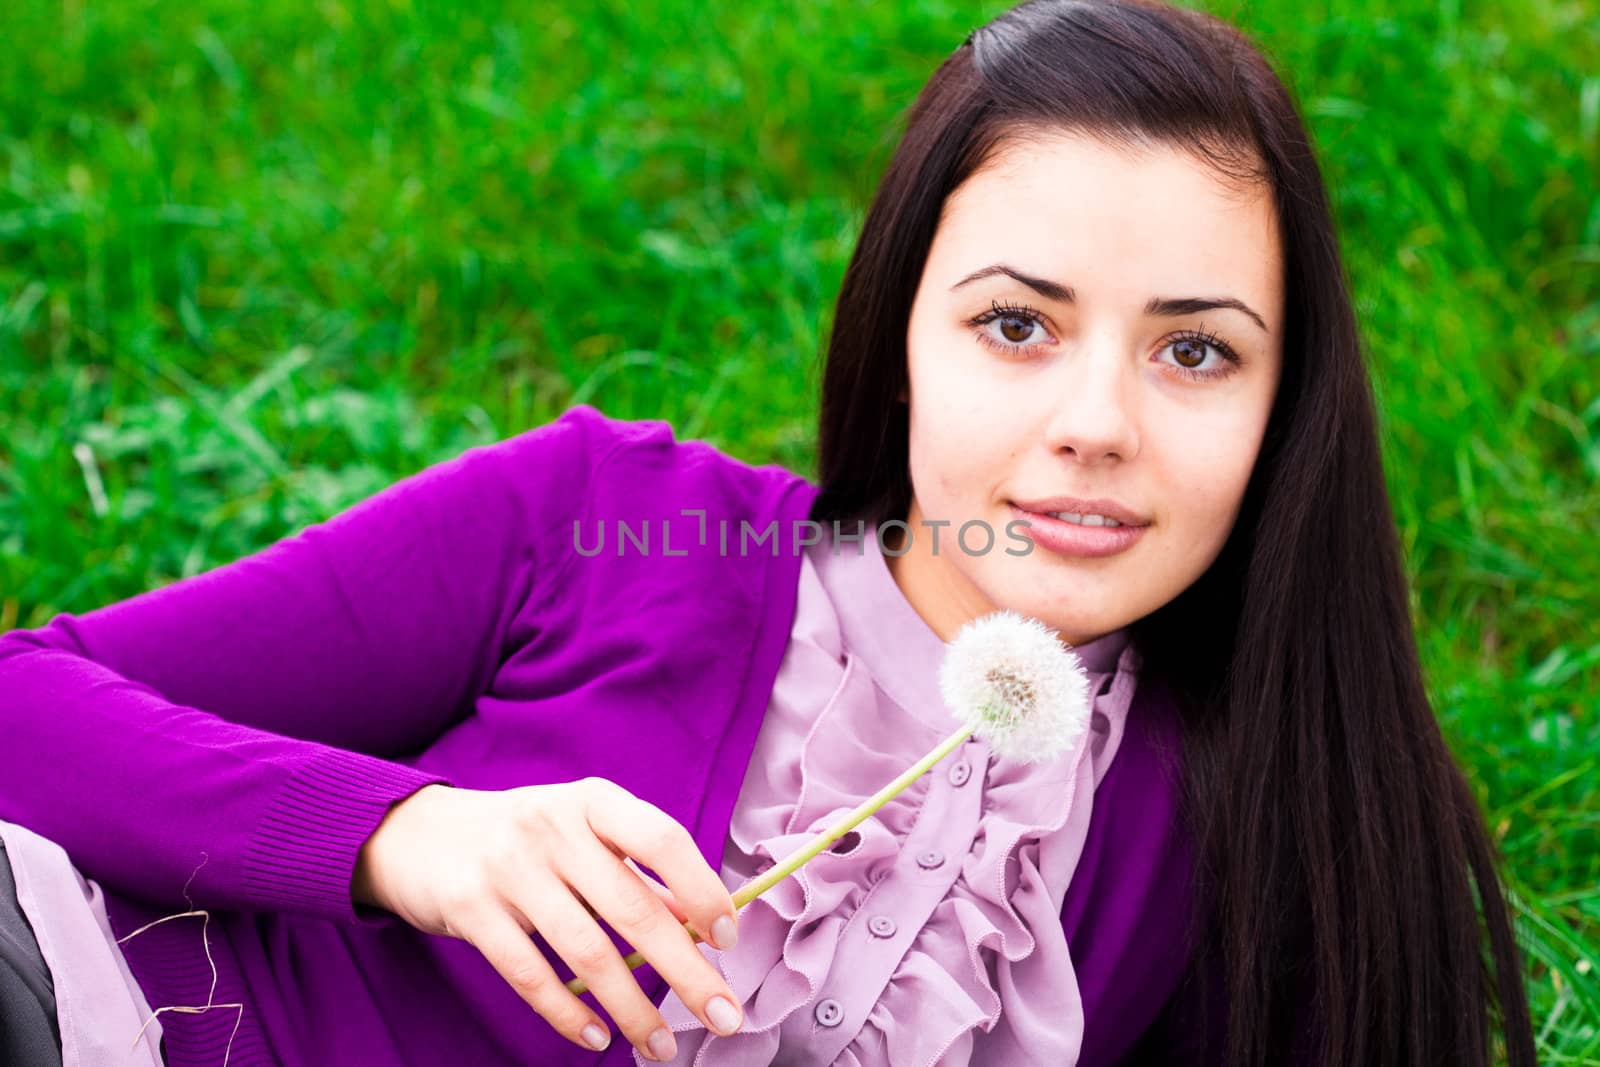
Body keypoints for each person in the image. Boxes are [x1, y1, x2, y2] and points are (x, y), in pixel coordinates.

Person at [0, 0, 1537, 1064]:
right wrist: (408, 838)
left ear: (1289, 407)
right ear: (898, 341)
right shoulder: (609, 523)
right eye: (1016, 326)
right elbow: (20, 701)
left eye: (1195, 350)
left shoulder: (1259, 822)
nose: (1100, 422)